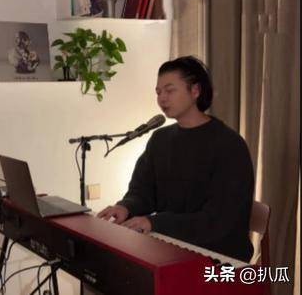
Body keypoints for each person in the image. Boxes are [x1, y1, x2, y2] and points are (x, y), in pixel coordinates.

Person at [97, 56, 255, 262]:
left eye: (170, 91)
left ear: (195, 91)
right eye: (158, 92)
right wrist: (126, 207)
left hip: (218, 255)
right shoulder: (160, 139)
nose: (162, 98)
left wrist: (155, 223)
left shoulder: (229, 145)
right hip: (171, 243)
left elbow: (218, 220)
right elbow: (143, 191)